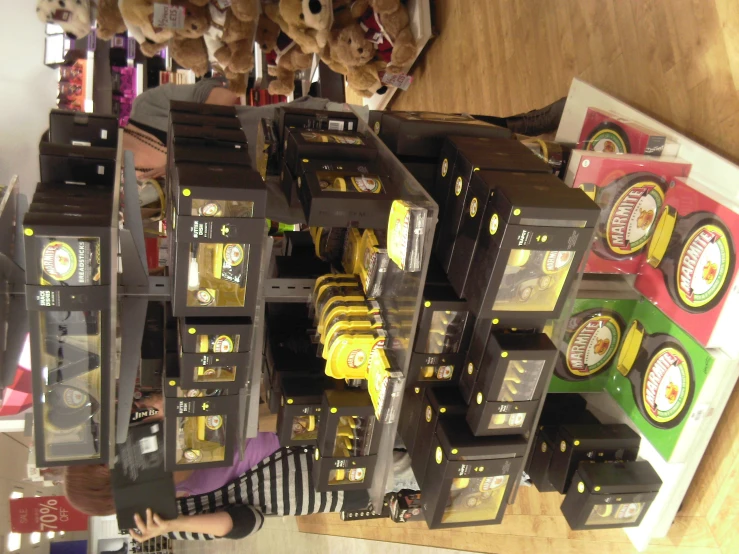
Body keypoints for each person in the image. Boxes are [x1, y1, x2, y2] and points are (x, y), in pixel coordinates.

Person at [64, 430, 369, 541]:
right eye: (107, 470)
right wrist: (173, 524)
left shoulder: (153, 440)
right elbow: (248, 521)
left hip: (316, 423)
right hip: (328, 480)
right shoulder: (168, 517)